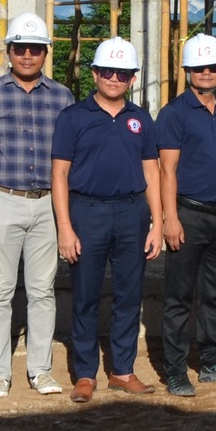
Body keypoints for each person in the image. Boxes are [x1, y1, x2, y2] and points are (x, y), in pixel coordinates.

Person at [0, 13, 76, 400]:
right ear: (9, 51)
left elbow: (71, 159)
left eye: (35, 49)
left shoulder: (62, 97)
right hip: (1, 200)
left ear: (45, 53)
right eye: (20, 48)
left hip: (46, 204)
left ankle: (40, 370)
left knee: (42, 291)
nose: (27, 55)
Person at [51, 37, 163, 402]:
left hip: (132, 213)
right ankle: (85, 374)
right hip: (87, 212)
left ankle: (122, 371)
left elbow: (152, 171)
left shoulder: (140, 118)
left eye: (123, 73)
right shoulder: (73, 117)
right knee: (85, 295)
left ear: (133, 79)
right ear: (95, 74)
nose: (114, 78)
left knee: (129, 295)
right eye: (107, 71)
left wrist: (158, 223)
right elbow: (59, 174)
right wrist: (65, 227)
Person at [155, 33, 216, 398]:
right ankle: (175, 369)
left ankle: (212, 361)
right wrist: (170, 218)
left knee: (214, 294)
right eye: (199, 68)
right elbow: (167, 170)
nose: (207, 73)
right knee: (179, 296)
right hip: (189, 215)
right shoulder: (174, 113)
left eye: (213, 67)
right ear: (188, 71)